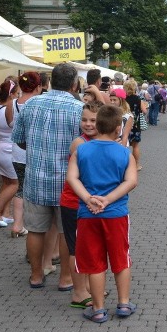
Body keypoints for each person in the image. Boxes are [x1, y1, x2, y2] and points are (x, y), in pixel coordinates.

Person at [11, 63, 84, 290]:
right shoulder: (79, 109)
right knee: (66, 232)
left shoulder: (31, 104)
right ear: (74, 84)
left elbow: (19, 139)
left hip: (36, 178)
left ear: (50, 82)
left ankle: (36, 276)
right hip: (68, 182)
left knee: (35, 230)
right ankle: (65, 279)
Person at [66, 104, 139, 323]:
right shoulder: (125, 153)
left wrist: (89, 198)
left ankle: (98, 308)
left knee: (95, 262)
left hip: (88, 215)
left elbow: (72, 178)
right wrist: (108, 199)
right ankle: (124, 303)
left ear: (96, 125)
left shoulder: (82, 150)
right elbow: (131, 181)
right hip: (115, 213)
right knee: (120, 258)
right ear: (119, 128)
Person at [59, 101, 102, 309]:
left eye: (93, 120)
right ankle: (78, 292)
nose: (88, 124)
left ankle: (87, 286)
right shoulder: (80, 143)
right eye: (84, 120)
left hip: (90, 203)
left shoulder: (97, 141)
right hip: (74, 202)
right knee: (76, 248)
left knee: (88, 247)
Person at [9, 72, 42, 239]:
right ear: (38, 86)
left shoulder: (12, 103)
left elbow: (10, 124)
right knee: (34, 190)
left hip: (16, 151)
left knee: (20, 188)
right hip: (34, 152)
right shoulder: (38, 104)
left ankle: (17, 225)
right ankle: (31, 224)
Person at [0, 79, 21, 230]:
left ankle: (5, 213)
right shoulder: (8, 108)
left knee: (7, 182)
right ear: (12, 94)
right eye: (17, 93)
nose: (19, 96)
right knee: (15, 184)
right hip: (6, 149)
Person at [124, 79, 147, 171]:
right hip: (135, 125)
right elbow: (145, 111)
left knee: (124, 145)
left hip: (124, 125)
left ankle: (125, 165)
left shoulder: (123, 99)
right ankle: (136, 165)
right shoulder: (138, 99)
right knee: (135, 146)